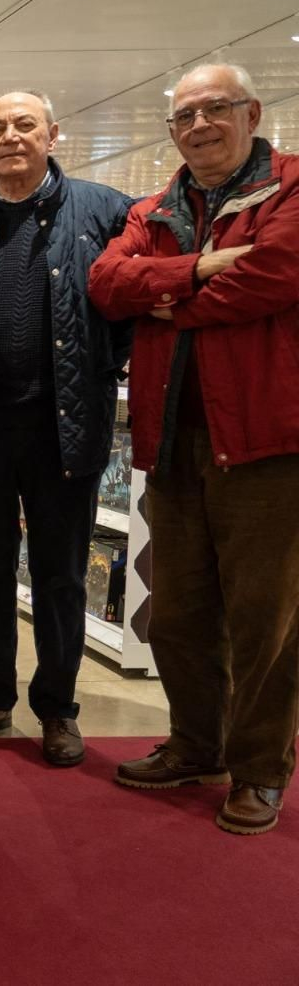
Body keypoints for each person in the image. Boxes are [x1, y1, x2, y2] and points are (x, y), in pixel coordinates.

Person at [89, 63, 299, 836]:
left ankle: (259, 770)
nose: (200, 124)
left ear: (251, 112)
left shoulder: (290, 189)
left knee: (264, 617)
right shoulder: (156, 206)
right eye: (185, 115)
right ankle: (196, 743)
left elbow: (275, 275)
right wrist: (200, 267)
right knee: (175, 611)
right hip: (173, 437)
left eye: (216, 109)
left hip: (263, 439)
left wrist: (165, 294)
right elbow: (109, 283)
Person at [0, 92, 132, 766]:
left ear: (54, 135)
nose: (11, 137)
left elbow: (131, 298)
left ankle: (58, 709)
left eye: (25, 125)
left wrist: (110, 363)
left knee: (62, 577)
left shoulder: (104, 212)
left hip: (64, 431)